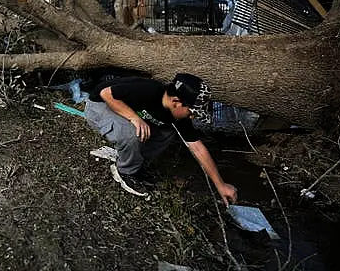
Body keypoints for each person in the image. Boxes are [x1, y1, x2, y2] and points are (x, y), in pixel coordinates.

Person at [84, 73, 237, 206]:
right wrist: (134, 118)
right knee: (132, 132)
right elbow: (106, 93)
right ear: (176, 102)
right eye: (192, 112)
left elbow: (197, 147)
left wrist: (220, 185)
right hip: (99, 106)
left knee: (168, 131)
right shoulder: (149, 90)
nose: (192, 117)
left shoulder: (178, 116)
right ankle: (125, 172)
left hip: (122, 111)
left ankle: (136, 162)